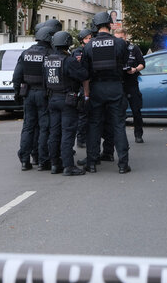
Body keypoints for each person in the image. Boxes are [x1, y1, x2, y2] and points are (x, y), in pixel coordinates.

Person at [79, 11, 131, 173]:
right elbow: (124, 64)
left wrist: (87, 93)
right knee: (118, 125)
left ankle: (92, 163)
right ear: (109, 25)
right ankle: (123, 164)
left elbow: (85, 74)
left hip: (96, 89)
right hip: (115, 86)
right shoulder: (120, 44)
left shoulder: (88, 45)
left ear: (95, 26)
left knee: (94, 124)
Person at [45, 31, 88, 176]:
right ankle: (68, 166)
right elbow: (83, 75)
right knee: (68, 133)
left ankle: (55, 164)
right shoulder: (68, 60)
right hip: (67, 100)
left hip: (52, 99)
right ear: (67, 43)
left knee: (54, 133)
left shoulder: (48, 59)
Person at [13, 25, 55, 170]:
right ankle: (43, 160)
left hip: (28, 94)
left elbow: (17, 76)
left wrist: (17, 93)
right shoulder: (50, 54)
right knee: (45, 127)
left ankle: (25, 160)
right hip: (44, 94)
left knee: (28, 127)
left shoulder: (26, 53)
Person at [113, 27, 145, 143]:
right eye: (117, 38)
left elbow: (142, 63)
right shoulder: (113, 48)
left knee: (136, 110)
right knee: (119, 112)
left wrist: (135, 69)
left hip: (131, 83)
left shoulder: (134, 48)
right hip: (119, 84)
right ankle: (120, 137)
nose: (119, 41)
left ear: (125, 37)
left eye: (121, 38)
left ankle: (138, 134)